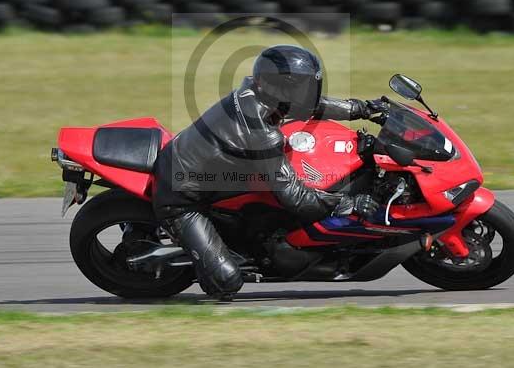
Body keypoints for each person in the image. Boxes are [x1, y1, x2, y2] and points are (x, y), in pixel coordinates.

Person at [153, 45, 380, 299]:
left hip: (208, 168)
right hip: (181, 197)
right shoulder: (261, 131)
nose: (306, 94)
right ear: (279, 87)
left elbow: (311, 105)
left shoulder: (258, 92)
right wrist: (348, 204)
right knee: (226, 284)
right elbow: (297, 199)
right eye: (300, 87)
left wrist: (362, 108)